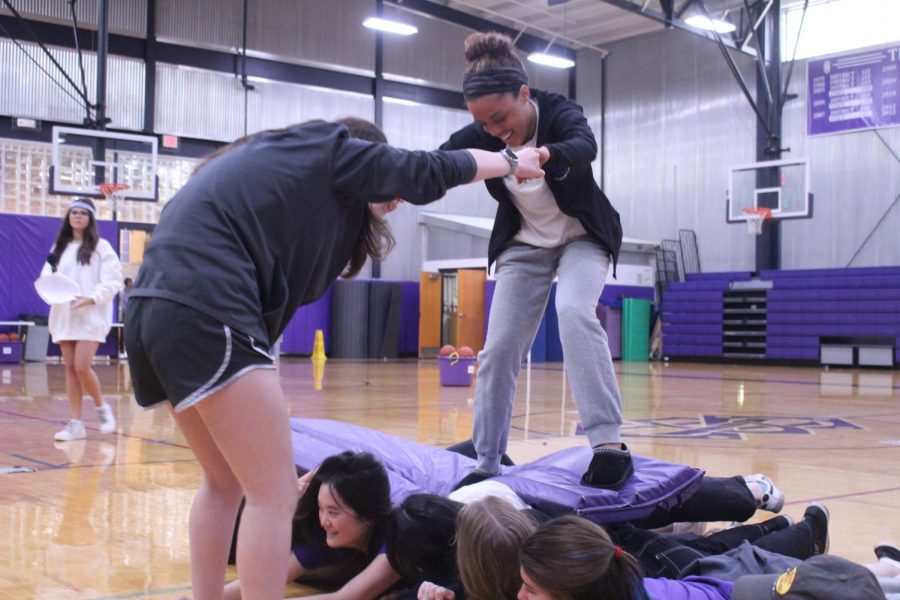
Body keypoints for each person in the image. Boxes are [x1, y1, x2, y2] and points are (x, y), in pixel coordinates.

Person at [124, 117, 544, 600]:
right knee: (275, 495)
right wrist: (511, 161)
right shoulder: (332, 149)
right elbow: (427, 171)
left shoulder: (281, 173)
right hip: (206, 309)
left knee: (224, 483)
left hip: (151, 311)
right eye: (384, 176)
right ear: (366, 159)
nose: (394, 193)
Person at [440, 31, 631, 491]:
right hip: (524, 247)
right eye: (482, 123)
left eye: (501, 117)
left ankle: (608, 444)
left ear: (525, 95)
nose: (493, 131)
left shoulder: (559, 112)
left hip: (582, 236)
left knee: (573, 311)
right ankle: (487, 456)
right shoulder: (483, 133)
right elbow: (440, 162)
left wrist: (543, 154)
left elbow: (584, 144)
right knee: (500, 346)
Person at [224, 451, 398, 599]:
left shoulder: (395, 541)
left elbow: (345, 597)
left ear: (366, 513)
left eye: (333, 512)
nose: (323, 521)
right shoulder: (331, 537)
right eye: (321, 509)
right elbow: (265, 581)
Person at [42, 197, 123, 442]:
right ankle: (76, 424)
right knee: (70, 369)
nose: (78, 216)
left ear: (90, 219)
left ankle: (101, 408)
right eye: (74, 212)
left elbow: (113, 282)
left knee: (82, 366)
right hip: (65, 314)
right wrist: (55, 292)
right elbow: (46, 278)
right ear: (68, 217)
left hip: (89, 314)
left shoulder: (102, 247)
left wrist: (90, 298)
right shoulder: (58, 248)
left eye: (83, 213)